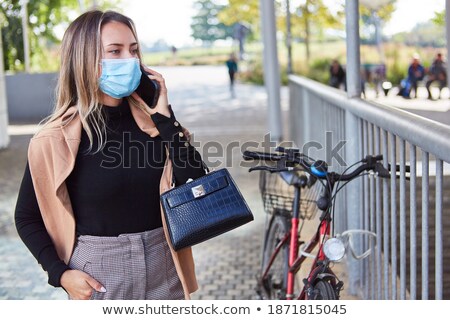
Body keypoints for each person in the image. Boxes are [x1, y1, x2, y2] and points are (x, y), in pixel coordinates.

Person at [14, 10, 206, 300]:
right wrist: (61, 274)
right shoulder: (55, 138)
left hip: (164, 266)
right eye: (114, 51)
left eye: (133, 50)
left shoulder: (156, 123)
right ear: (84, 58)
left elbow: (196, 183)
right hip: (100, 275)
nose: (129, 60)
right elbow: (27, 216)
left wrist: (165, 116)